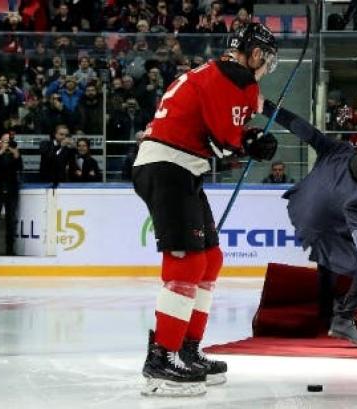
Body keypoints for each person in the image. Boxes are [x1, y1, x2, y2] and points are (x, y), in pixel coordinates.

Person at [131, 23, 279, 397]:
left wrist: (249, 138)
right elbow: (222, 145)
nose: (267, 68)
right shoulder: (226, 79)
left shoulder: (228, 77)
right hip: (167, 166)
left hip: (182, 168)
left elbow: (226, 135)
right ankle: (161, 359)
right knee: (186, 262)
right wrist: (250, 143)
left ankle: (186, 348)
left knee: (210, 259)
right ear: (256, 54)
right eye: (267, 59)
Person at [258, 98, 357, 348]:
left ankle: (327, 316)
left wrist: (266, 108)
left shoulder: (340, 150)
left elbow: (304, 130)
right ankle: (343, 320)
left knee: (327, 265)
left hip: (312, 210)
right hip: (324, 225)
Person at [0, 133, 22, 256]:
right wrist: (1, 151)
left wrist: (16, 155)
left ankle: (10, 249)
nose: (8, 143)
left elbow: (20, 168)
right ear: (1, 142)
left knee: (11, 220)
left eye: (9, 141)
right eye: (5, 141)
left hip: (12, 189)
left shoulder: (15, 153)